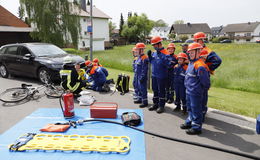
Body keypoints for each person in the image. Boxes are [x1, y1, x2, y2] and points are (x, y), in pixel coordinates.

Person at [180, 43, 210, 135]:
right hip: (189, 91)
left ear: (198, 52)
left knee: (196, 109)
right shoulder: (191, 63)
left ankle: (196, 127)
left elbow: (205, 82)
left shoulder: (200, 65)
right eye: (190, 53)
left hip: (196, 92)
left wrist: (200, 91)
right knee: (190, 108)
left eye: (192, 52)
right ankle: (190, 121)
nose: (190, 54)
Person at [193, 32, 222, 119]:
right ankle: (196, 113)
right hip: (195, 76)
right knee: (196, 94)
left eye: (199, 40)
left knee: (203, 94)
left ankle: (202, 113)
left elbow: (218, 61)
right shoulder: (195, 49)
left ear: (201, 40)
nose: (198, 42)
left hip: (203, 75)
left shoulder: (207, 51)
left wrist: (207, 68)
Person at [147, 36, 171, 113]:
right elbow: (152, 62)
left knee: (161, 91)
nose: (153, 46)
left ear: (159, 44)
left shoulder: (165, 53)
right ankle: (155, 104)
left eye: (155, 45)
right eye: (153, 45)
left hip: (162, 76)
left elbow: (169, 64)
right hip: (154, 75)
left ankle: (161, 106)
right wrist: (150, 56)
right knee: (155, 90)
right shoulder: (154, 53)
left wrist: (162, 56)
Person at [135, 43, 149, 108]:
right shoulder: (139, 57)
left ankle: (145, 102)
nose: (136, 51)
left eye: (137, 49)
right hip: (138, 75)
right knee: (139, 88)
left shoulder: (144, 58)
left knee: (143, 89)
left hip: (142, 76)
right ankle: (140, 99)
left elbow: (144, 69)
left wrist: (142, 77)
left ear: (141, 50)